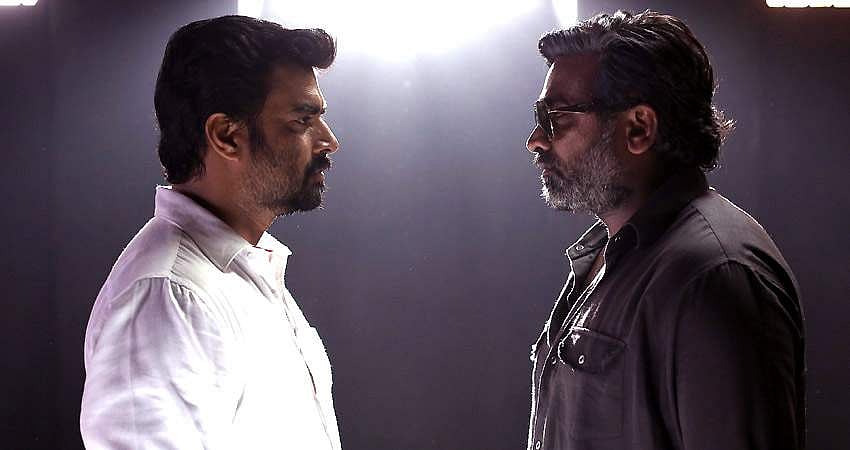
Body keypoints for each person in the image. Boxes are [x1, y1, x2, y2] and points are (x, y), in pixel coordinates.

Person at [525, 10, 804, 450]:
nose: (536, 140)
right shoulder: (611, 255)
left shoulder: (714, 275)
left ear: (639, 127)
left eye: (555, 118)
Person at [80, 16, 342, 449]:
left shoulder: (243, 272)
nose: (329, 141)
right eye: (302, 120)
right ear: (226, 136)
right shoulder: (168, 296)